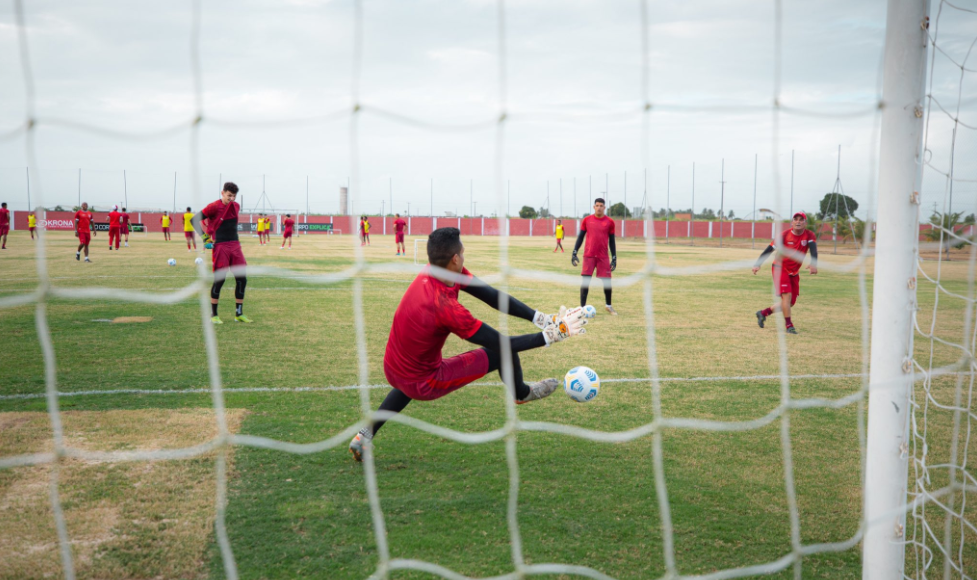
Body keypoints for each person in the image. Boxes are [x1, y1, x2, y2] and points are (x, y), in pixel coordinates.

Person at [348, 227, 588, 461]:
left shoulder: (436, 270)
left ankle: (364, 435)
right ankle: (522, 394)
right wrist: (554, 335)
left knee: (408, 379)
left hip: (393, 367)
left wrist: (540, 318)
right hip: (424, 381)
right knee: (501, 353)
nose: (464, 256)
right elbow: (502, 344)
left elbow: (491, 295)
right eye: (462, 253)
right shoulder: (445, 307)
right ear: (454, 258)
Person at [192, 182, 252, 324]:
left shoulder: (236, 206)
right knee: (220, 279)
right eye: (229, 195)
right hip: (220, 246)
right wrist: (205, 237)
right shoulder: (213, 206)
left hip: (235, 246)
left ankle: (239, 314)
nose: (231, 199)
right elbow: (194, 220)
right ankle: (214, 315)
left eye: (234, 196)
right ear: (222, 193)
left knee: (242, 279)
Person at [753, 212, 818, 335]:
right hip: (780, 267)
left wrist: (814, 263)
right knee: (786, 298)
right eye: (796, 219)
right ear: (792, 222)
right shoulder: (784, 235)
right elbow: (769, 250)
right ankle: (789, 326)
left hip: (794, 271)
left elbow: (813, 250)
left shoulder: (809, 235)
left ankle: (763, 313)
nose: (798, 221)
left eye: (801, 220)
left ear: (805, 223)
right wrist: (758, 264)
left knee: (790, 303)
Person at [571, 198, 617, 315]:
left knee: (607, 282)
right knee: (585, 281)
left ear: (604, 207)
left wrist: (614, 257)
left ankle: (609, 305)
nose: (599, 207)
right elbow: (580, 237)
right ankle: (582, 308)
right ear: (593, 207)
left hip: (603, 257)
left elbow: (612, 241)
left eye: (601, 205)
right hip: (589, 255)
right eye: (597, 205)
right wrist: (574, 252)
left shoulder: (610, 222)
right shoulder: (587, 220)